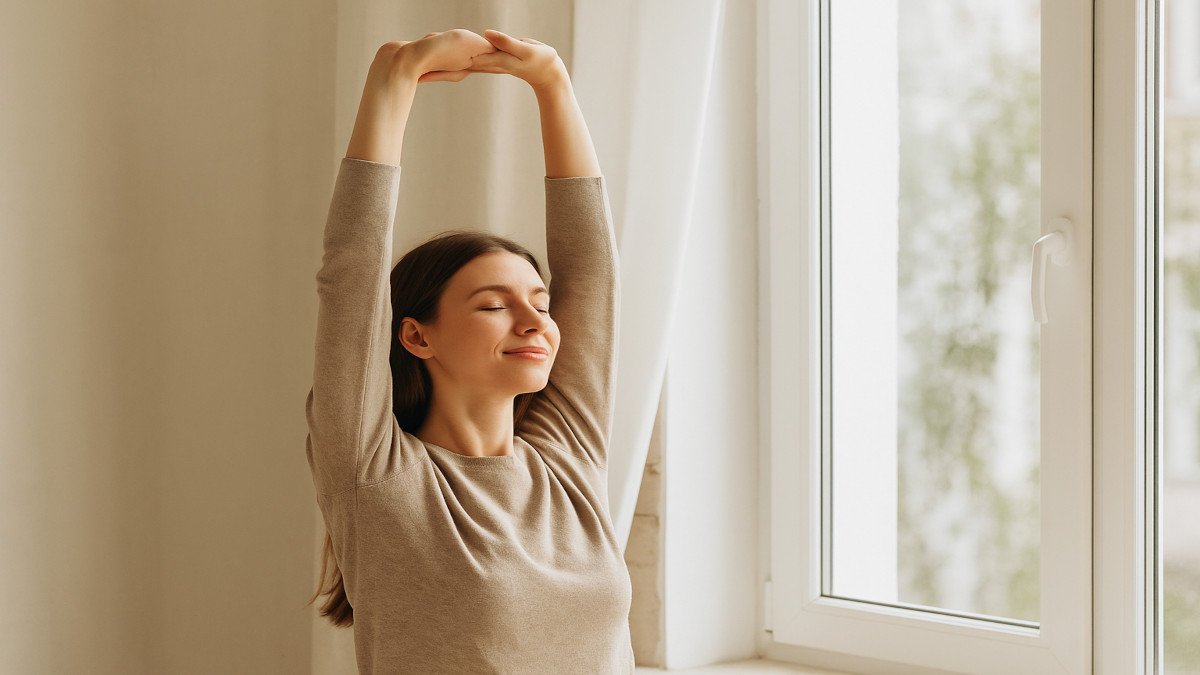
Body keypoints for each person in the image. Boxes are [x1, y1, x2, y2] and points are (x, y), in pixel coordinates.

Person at [303, 28, 633, 673]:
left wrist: (552, 86)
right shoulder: (378, 476)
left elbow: (592, 280)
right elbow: (352, 274)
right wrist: (392, 86)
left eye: (539, 303)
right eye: (492, 304)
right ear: (415, 335)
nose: (534, 321)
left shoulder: (566, 460)